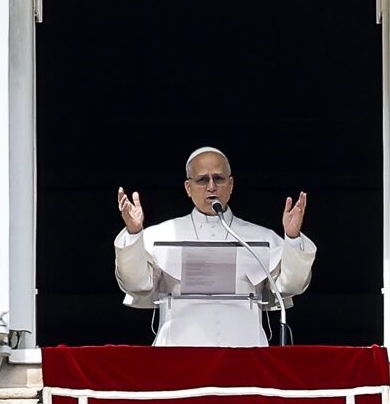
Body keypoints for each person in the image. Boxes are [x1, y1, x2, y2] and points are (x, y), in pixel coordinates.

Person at [114, 146, 317, 347]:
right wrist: (134, 234)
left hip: (246, 353)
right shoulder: (160, 235)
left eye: (218, 179)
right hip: (178, 353)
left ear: (231, 185)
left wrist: (292, 237)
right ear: (188, 188)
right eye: (202, 180)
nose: (211, 186)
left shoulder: (260, 237)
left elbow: (291, 286)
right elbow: (136, 285)